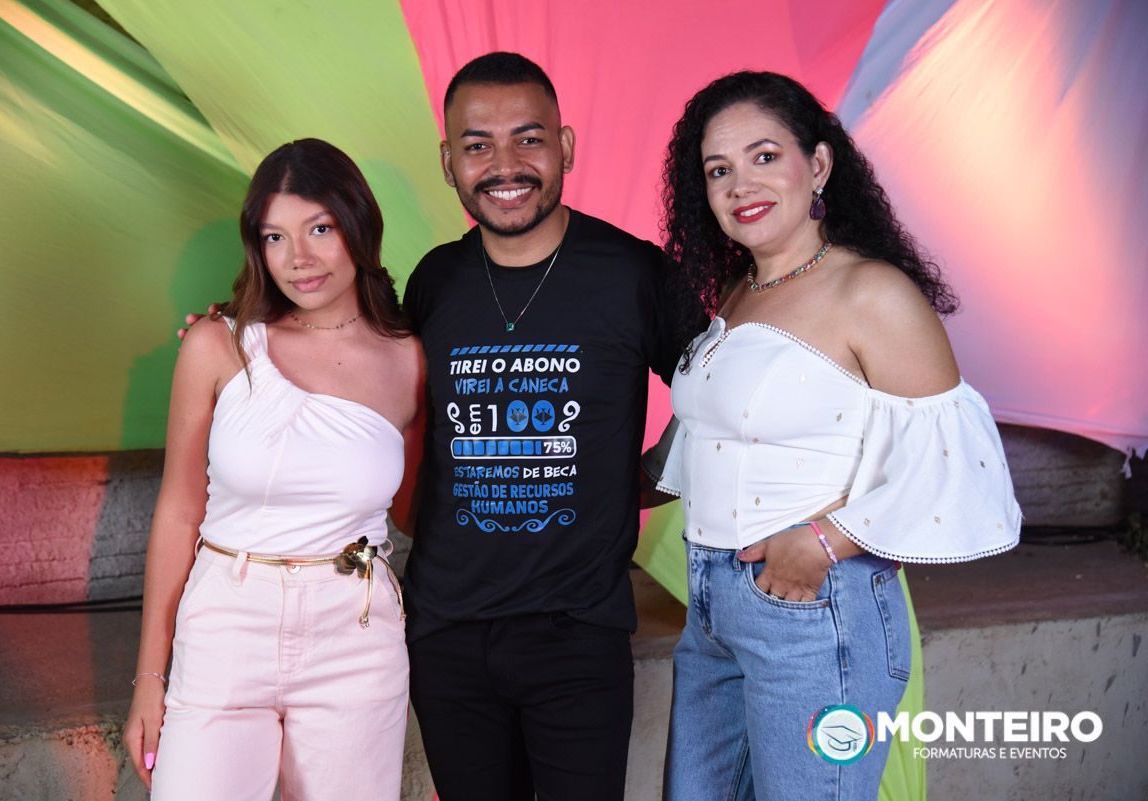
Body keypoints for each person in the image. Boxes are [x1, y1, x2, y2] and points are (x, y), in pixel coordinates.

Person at [652, 71, 1021, 800]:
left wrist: (824, 541)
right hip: (713, 603)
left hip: (814, 608)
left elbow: (955, 462)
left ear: (817, 164)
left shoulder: (872, 293)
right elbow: (719, 436)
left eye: (764, 156)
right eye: (718, 170)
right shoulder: (739, 292)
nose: (740, 185)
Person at [401, 52, 683, 801]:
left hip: (577, 632)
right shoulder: (434, 281)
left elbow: (726, 389)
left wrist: (657, 476)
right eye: (478, 145)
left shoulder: (631, 273)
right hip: (447, 631)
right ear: (449, 162)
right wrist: (241, 339)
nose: (505, 165)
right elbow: (360, 383)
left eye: (528, 138)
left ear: (565, 147)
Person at [122, 138, 424, 801]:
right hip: (226, 621)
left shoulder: (410, 359)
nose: (299, 258)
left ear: (358, 225)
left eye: (320, 228)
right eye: (275, 236)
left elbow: (413, 513)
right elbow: (178, 510)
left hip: (356, 631)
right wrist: (149, 678)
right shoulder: (218, 344)